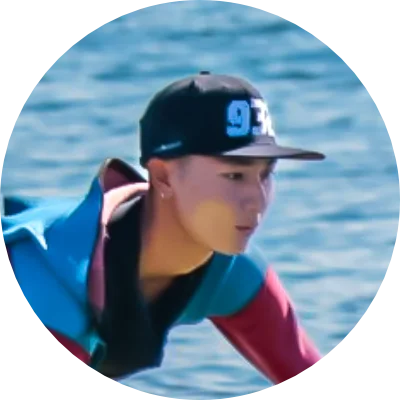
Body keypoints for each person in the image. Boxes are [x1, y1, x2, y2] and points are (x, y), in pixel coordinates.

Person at [1, 71, 325, 386]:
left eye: (266, 174)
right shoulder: (47, 284)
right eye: (234, 176)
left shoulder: (232, 271)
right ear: (163, 176)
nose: (258, 200)